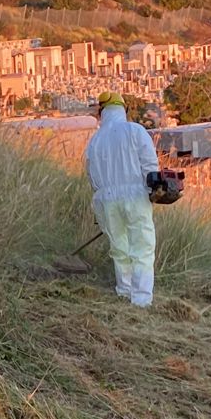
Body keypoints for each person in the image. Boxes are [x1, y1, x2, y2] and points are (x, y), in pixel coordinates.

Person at [83, 92, 160, 308]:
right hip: (136, 196)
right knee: (142, 246)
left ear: (102, 112)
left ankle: (124, 291)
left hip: (106, 199)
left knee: (119, 248)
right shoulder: (135, 130)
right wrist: (153, 191)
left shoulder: (95, 141)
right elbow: (150, 166)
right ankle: (141, 299)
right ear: (123, 110)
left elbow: (91, 175)